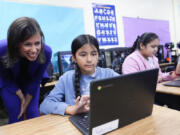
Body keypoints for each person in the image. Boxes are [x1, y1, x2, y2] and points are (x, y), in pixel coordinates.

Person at [40, 34, 119, 116]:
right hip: (77, 124)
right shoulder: (67, 78)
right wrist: (70, 109)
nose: (89, 59)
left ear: (98, 55)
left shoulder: (109, 74)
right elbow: (45, 106)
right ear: (74, 58)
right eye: (83, 55)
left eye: (93, 54)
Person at [0, 17, 52, 123]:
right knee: (16, 112)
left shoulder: (46, 51)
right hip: (8, 80)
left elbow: (36, 80)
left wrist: (26, 101)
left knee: (32, 113)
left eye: (37, 43)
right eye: (27, 44)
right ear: (16, 44)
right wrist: (20, 96)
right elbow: (5, 75)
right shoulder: (2, 49)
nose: (34, 50)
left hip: (31, 80)